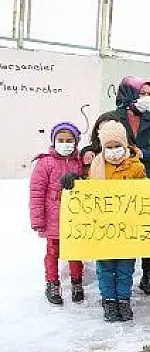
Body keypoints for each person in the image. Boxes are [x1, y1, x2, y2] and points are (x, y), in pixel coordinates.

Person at [61, 120, 150, 322]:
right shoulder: (96, 166)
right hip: (102, 232)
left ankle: (123, 300)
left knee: (125, 269)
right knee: (105, 269)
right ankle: (109, 300)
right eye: (108, 147)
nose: (113, 151)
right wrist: (71, 183)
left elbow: (145, 192)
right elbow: (86, 192)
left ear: (125, 145)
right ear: (102, 147)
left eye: (117, 146)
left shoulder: (136, 167)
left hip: (127, 231)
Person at [114, 75, 150, 296]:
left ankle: (148, 276)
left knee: (147, 229)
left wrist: (144, 153)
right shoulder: (114, 118)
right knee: (126, 228)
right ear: (129, 94)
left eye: (147, 94)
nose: (145, 98)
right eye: (141, 93)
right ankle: (123, 277)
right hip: (122, 178)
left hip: (147, 175)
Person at [30, 122, 84, 305]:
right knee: (53, 252)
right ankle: (52, 283)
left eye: (69, 140)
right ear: (54, 141)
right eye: (60, 140)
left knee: (75, 252)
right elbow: (37, 192)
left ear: (76, 142)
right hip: (53, 219)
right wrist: (38, 219)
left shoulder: (79, 162)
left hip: (75, 218)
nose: (65, 144)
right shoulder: (45, 163)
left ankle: (77, 282)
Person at [80, 111, 121, 175]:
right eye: (104, 129)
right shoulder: (90, 152)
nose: (107, 133)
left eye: (111, 129)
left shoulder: (126, 151)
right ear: (97, 131)